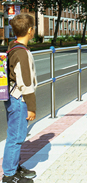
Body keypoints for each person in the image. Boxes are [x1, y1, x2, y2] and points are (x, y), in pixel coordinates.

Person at [2, 14, 37, 183]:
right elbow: (26, 82)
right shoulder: (21, 53)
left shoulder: (13, 46)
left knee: (17, 135)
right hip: (19, 99)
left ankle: (14, 167)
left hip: (13, 97)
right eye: (34, 28)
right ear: (30, 30)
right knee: (16, 137)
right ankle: (9, 175)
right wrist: (32, 107)